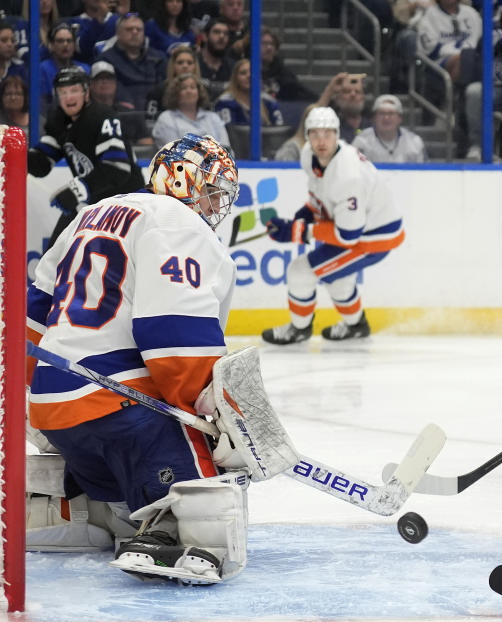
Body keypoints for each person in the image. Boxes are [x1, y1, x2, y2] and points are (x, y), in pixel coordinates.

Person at [24, 132, 289, 585]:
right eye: (210, 189)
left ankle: (95, 511)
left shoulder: (92, 212)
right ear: (183, 179)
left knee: (126, 480)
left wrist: (35, 395)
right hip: (118, 407)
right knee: (207, 468)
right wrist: (217, 417)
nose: (213, 204)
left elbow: (32, 312)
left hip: (54, 408)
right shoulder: (178, 224)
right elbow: (172, 337)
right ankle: (172, 534)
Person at [261, 107, 405, 343]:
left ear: (337, 135)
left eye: (327, 134)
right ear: (307, 136)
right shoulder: (309, 154)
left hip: (375, 235)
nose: (321, 141)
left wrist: (298, 230)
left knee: (300, 273)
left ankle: (299, 329)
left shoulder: (347, 175)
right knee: (338, 281)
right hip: (362, 226)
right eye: (315, 134)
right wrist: (306, 214)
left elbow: (348, 235)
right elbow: (324, 196)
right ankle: (356, 325)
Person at [27, 66, 144, 250]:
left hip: (126, 203)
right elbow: (41, 164)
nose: (69, 97)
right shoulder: (60, 121)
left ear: (86, 92)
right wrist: (12, 154)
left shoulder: (103, 117)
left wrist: (77, 189)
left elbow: (117, 168)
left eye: (74, 90)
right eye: (63, 92)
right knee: (54, 255)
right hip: (92, 201)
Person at [95, 12, 167, 112]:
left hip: (155, 112)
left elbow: (165, 87)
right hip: (122, 113)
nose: (135, 32)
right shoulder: (106, 59)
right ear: (118, 34)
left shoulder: (158, 58)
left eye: (139, 29)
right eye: (129, 29)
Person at [153, 72, 229, 148]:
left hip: (216, 159)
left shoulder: (213, 117)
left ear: (199, 93)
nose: (189, 91)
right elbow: (173, 150)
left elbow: (226, 148)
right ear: (175, 93)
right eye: (183, 88)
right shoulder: (166, 118)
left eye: (192, 87)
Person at [88, 60, 152, 146]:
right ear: (91, 84)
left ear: (115, 83)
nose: (105, 82)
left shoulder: (131, 115)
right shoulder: (84, 115)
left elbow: (147, 144)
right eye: (100, 78)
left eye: (109, 78)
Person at [352, 94, 427, 164]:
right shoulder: (361, 141)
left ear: (400, 118)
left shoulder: (415, 142)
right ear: (374, 118)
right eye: (382, 113)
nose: (386, 118)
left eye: (391, 113)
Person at [214, 58, 283, 127]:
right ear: (235, 78)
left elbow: (279, 129)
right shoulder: (225, 102)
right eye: (243, 73)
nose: (249, 76)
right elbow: (228, 131)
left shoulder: (269, 101)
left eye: (253, 72)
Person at [38, 24, 90, 105]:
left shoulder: (85, 69)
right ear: (51, 46)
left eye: (69, 41)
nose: (65, 44)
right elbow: (42, 104)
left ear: (74, 45)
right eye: (60, 41)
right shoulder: (42, 69)